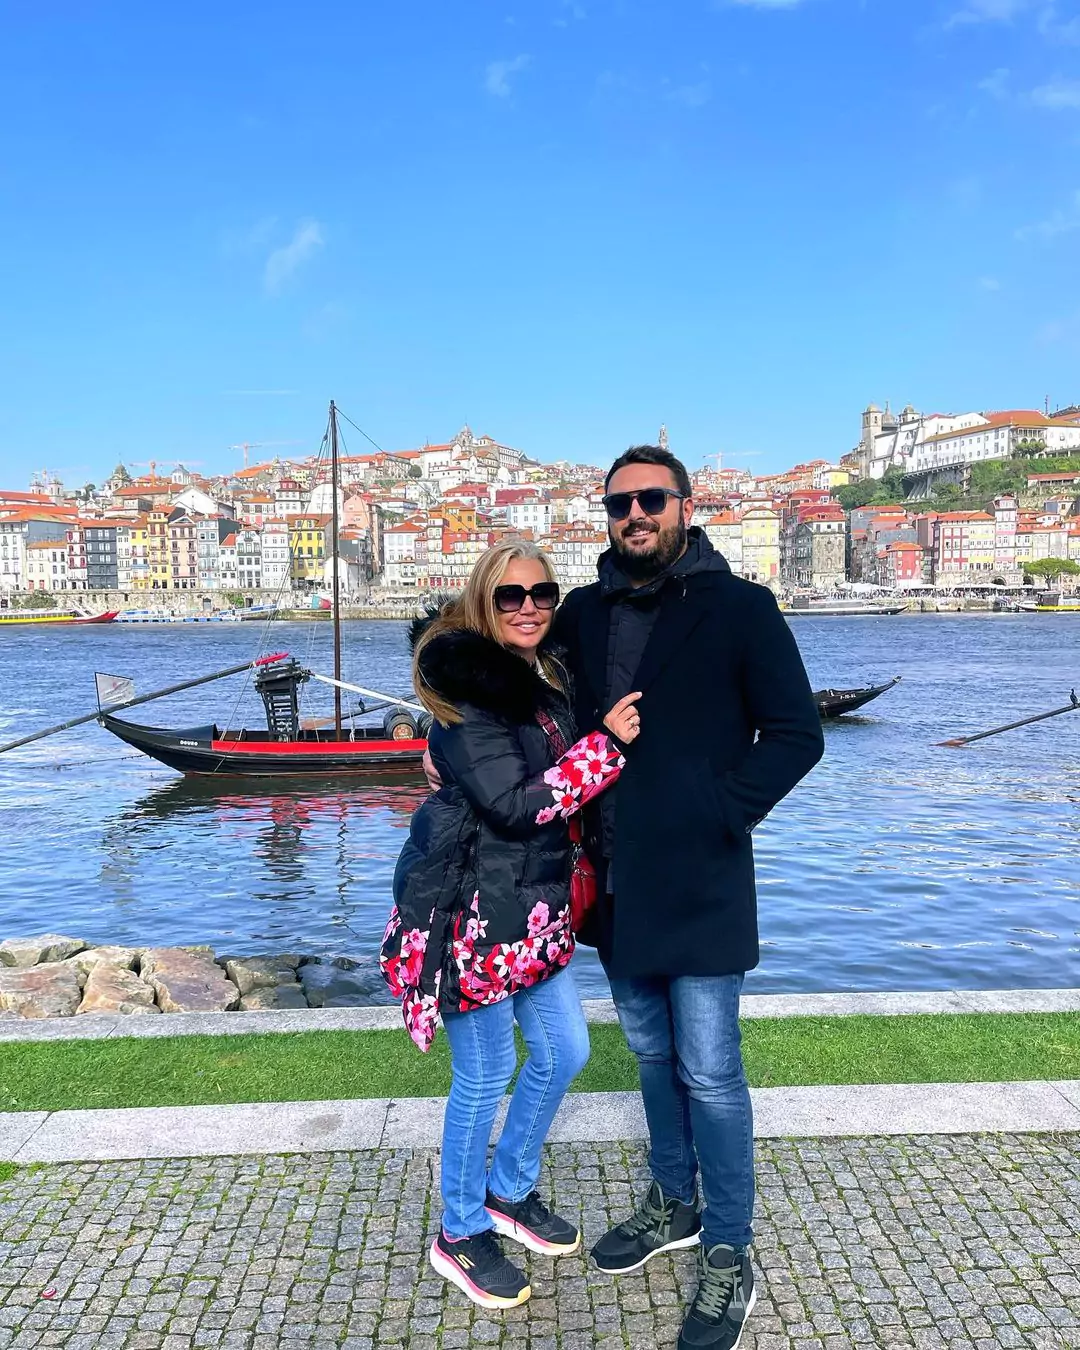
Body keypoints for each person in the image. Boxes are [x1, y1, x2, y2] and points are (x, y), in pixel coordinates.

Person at [548, 445, 825, 1350]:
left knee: (711, 1067)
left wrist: (724, 810)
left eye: (651, 499)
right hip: (616, 883)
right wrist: (442, 721)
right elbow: (507, 674)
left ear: (685, 505)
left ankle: (731, 1246)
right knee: (651, 1057)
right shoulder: (580, 613)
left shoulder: (741, 607)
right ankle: (674, 1200)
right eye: (619, 502)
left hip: (703, 875)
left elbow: (795, 734)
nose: (635, 514)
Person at [381, 539, 643, 1313]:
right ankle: (459, 1230)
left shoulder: (545, 673)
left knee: (567, 1050)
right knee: (486, 1074)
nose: (528, 605)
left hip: (535, 905)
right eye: (509, 595)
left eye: (543, 592)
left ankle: (509, 1189)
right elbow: (518, 803)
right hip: (473, 913)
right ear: (481, 600)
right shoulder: (470, 695)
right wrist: (610, 749)